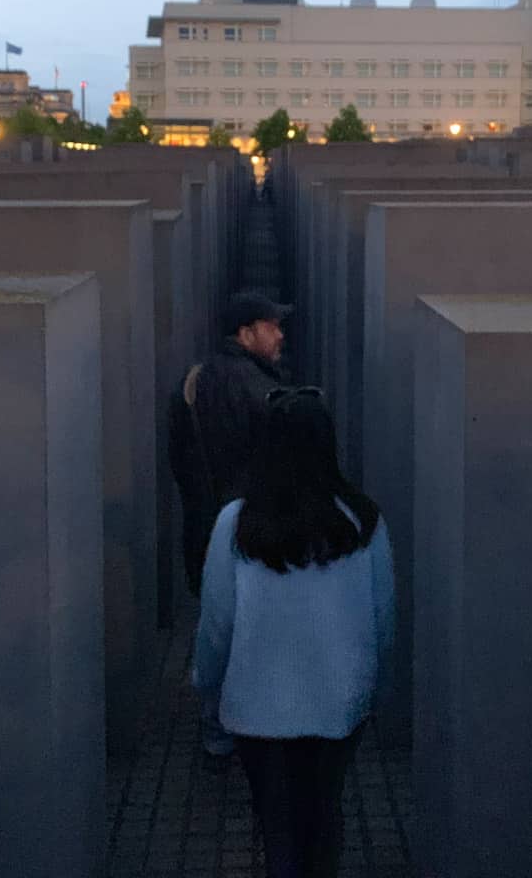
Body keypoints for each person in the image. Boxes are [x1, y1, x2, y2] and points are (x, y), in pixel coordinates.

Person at [191, 388, 396, 878]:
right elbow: (384, 615)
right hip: (339, 701)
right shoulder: (364, 521)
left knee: (278, 826)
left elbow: (217, 621)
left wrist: (207, 687)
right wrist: (379, 691)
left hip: (257, 705)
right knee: (324, 816)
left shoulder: (235, 524)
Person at [168, 290, 292, 759]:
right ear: (246, 333)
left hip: (205, 524)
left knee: (218, 620)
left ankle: (217, 725)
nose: (280, 334)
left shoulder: (193, 381)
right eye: (272, 325)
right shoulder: (263, 392)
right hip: (250, 527)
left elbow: (177, 458)